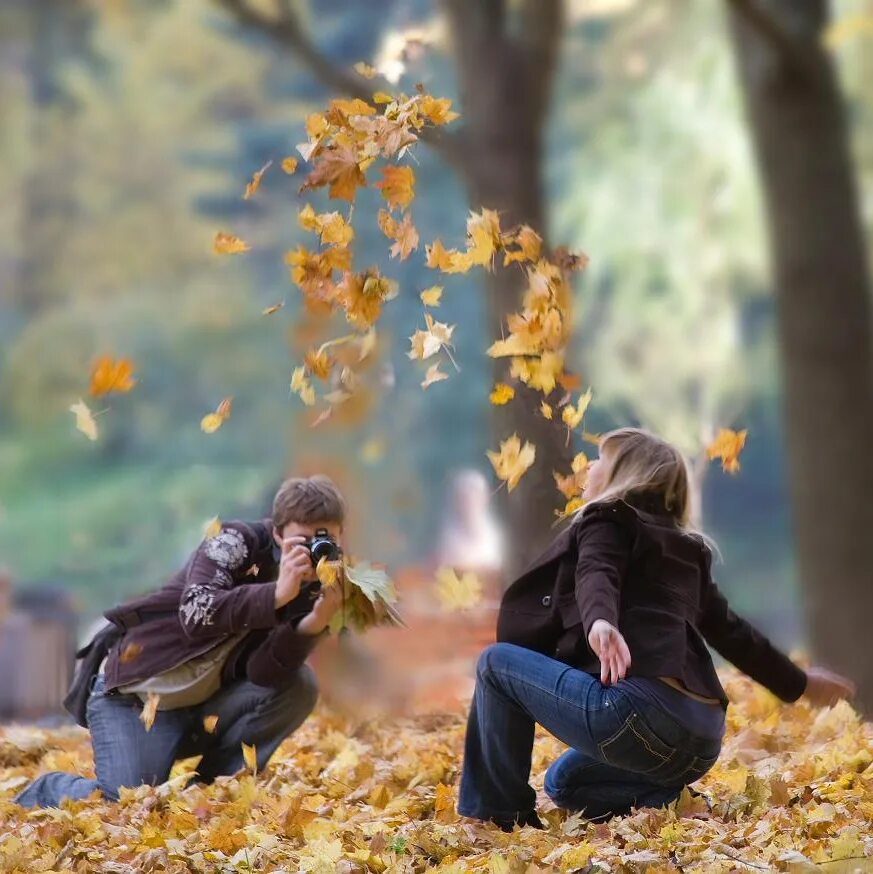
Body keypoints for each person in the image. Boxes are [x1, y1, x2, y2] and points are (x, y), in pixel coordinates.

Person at [458, 428, 856, 830]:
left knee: (495, 664)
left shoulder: (607, 517)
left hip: (637, 716)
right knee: (565, 784)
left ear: (624, 475)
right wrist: (801, 684)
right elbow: (734, 634)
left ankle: (496, 815)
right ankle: (673, 800)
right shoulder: (686, 549)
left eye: (601, 459)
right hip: (700, 739)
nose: (590, 466)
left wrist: (600, 620)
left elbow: (597, 570)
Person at [14, 475, 347, 808]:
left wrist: (315, 621)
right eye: (303, 541)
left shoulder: (316, 583)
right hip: (136, 697)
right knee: (126, 802)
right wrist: (276, 594)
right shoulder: (232, 541)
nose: (315, 552)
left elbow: (265, 675)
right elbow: (196, 612)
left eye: (326, 540)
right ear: (277, 532)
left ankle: (213, 794)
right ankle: (46, 792)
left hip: (202, 705)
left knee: (299, 684)